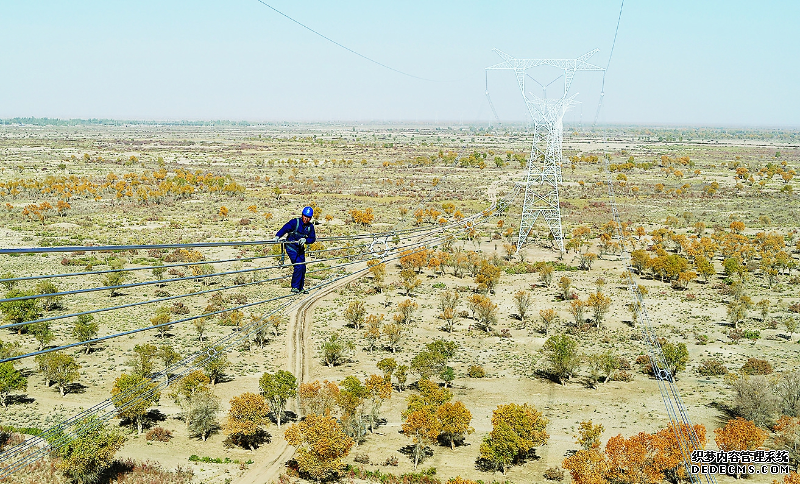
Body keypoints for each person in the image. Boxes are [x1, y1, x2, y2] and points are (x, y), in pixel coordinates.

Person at [274, 206, 316, 294]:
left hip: (300, 249)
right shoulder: (295, 222)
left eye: (308, 217)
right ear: (302, 215)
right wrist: (278, 236)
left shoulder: (310, 227)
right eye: (305, 216)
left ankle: (301, 288)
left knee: (303, 268)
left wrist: (306, 240)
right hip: (291, 247)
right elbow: (285, 228)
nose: (306, 219)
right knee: (298, 266)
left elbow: (312, 238)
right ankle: (295, 287)